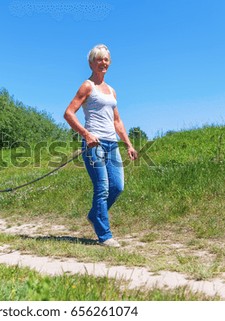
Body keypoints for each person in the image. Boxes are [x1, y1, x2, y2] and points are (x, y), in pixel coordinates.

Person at [64, 44, 138, 247]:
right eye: (99, 59)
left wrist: (129, 144)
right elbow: (69, 113)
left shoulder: (112, 91)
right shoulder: (88, 86)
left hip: (112, 144)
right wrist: (86, 134)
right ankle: (104, 235)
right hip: (93, 143)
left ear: (109, 63)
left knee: (117, 186)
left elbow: (117, 121)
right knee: (102, 187)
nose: (103, 63)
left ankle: (95, 215)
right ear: (91, 63)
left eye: (106, 59)